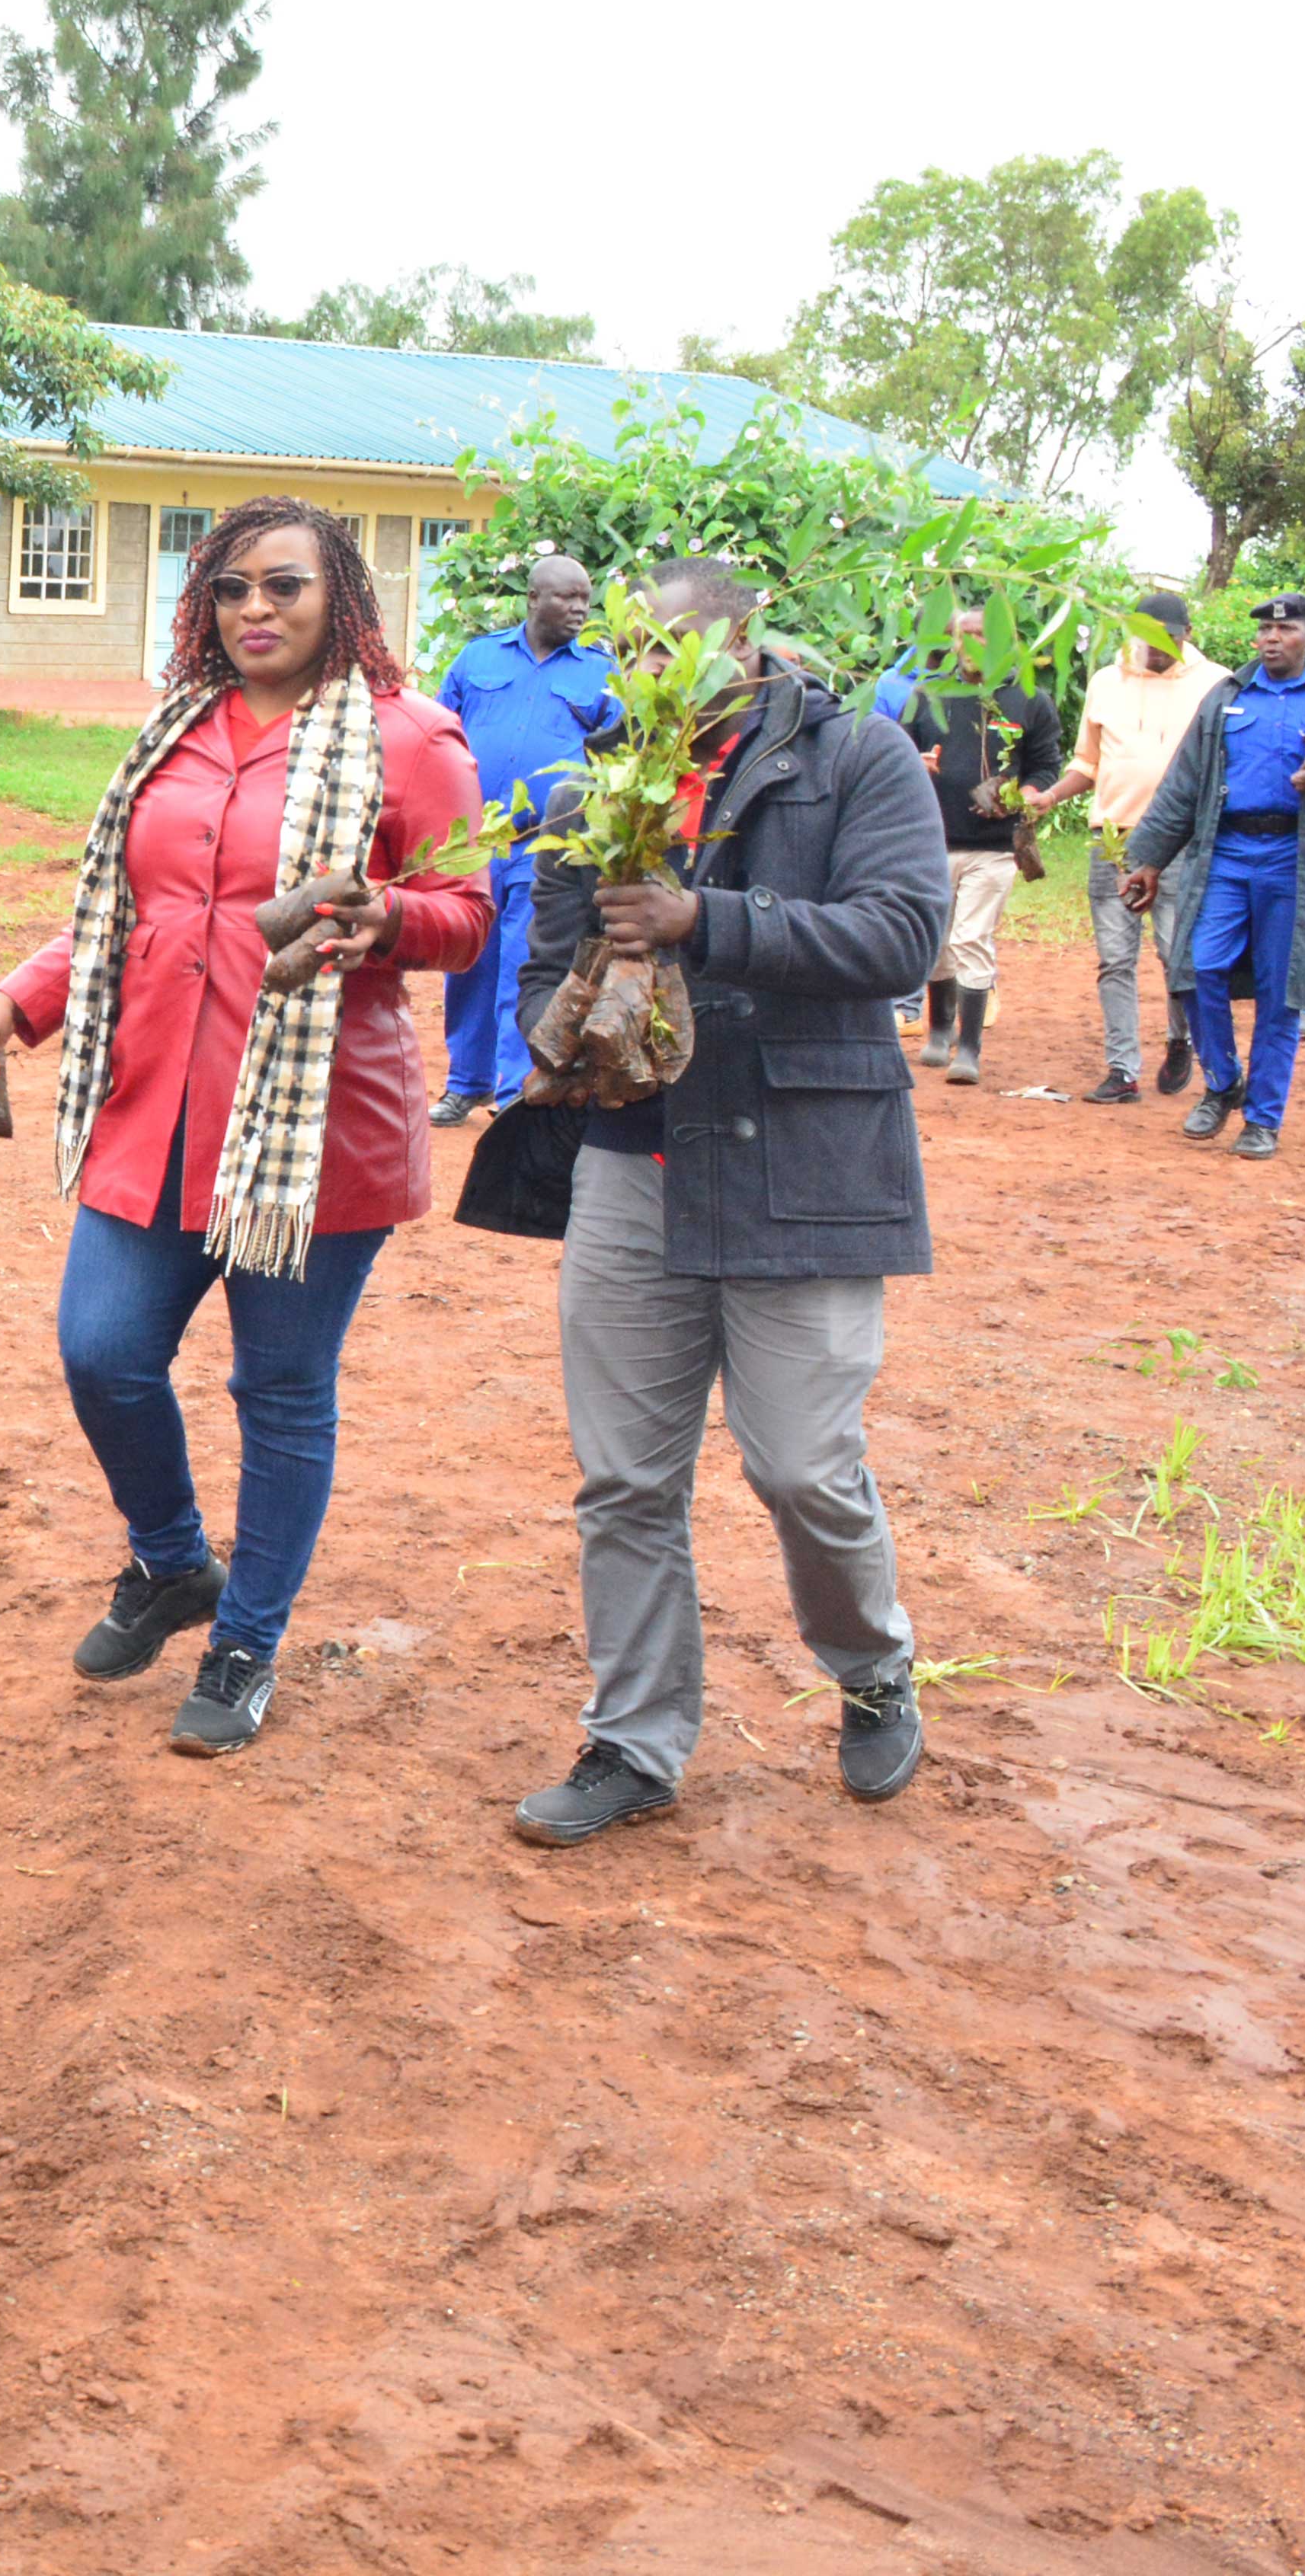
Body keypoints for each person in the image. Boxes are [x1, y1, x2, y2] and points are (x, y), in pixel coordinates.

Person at [0, 495, 490, 1751]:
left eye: (285, 586)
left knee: (282, 1389)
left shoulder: (410, 742)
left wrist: (391, 924)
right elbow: (124, 917)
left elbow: (468, 908)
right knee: (101, 1352)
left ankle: (247, 1639)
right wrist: (15, 1004)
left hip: (314, 1135)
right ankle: (170, 1562)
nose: (258, 609)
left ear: (338, 596)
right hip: (156, 1109)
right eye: (234, 588)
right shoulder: (175, 734)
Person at [510, 557, 941, 1849]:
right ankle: (633, 1743)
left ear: (746, 645)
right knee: (625, 1480)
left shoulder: (859, 758)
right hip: (631, 1169)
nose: (652, 671)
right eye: (636, 650)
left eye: (678, 648)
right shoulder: (599, 792)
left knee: (803, 1466)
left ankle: (873, 1671)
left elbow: (902, 937)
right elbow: (539, 969)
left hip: (798, 1162)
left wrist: (711, 920)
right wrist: (572, 1018)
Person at [1121, 595, 1305, 1162]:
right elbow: (1184, 783)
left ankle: (1264, 1118)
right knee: (1196, 969)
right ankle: (1223, 1084)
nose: (1272, 638)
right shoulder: (1228, 696)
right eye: (1266, 630)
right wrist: (1148, 858)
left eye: (1286, 629)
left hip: (1299, 859)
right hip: (1225, 853)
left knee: (1282, 991)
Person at [428, 554, 616, 1126]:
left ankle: (513, 1092)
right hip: (476, 841)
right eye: (567, 598)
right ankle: (466, 1082)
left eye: (586, 598)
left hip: (544, 846)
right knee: (470, 962)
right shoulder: (477, 656)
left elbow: (616, 756)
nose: (581, 609)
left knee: (523, 963)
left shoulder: (600, 672)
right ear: (534, 599)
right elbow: (438, 737)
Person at [1022, 591, 1227, 1103]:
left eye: (1166, 641)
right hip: (1114, 840)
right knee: (1115, 959)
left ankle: (1181, 1039)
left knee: (1177, 955)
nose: (1153, 651)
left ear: (1187, 634)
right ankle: (1123, 1071)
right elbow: (1087, 764)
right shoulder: (1106, 683)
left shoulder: (1218, 684)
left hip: (1184, 842)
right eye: (1145, 639)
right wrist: (1049, 795)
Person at [904, 606, 1069, 1089]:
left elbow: (1044, 767)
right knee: (937, 941)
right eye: (965, 635)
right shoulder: (930, 693)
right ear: (952, 641)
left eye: (984, 635)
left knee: (970, 939)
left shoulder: (1029, 701)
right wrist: (918, 763)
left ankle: (970, 1047)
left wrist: (1032, 796)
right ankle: (938, 1028)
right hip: (933, 840)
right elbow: (896, 751)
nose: (973, 644)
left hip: (995, 847)